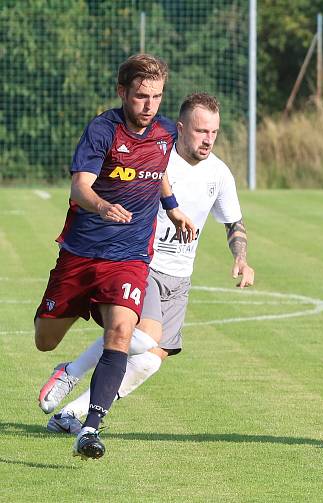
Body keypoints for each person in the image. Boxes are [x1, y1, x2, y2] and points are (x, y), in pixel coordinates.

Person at [39, 93, 254, 435]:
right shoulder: (157, 156)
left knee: (150, 360)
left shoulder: (220, 174)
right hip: (144, 260)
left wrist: (241, 259)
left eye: (213, 132)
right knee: (139, 335)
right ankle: (73, 371)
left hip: (180, 276)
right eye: (200, 131)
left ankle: (71, 413)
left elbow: (234, 224)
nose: (207, 139)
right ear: (181, 129)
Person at [34, 54, 196, 460]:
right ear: (123, 92)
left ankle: (89, 427)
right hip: (81, 253)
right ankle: (65, 369)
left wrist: (173, 208)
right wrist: (102, 206)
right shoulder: (102, 130)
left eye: (157, 97)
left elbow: (156, 170)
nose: (149, 105)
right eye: (142, 96)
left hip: (129, 256)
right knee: (44, 339)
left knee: (122, 333)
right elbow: (79, 188)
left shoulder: (163, 133)